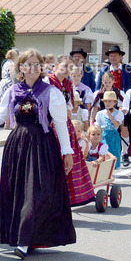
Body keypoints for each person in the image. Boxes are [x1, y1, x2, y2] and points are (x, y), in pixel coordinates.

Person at [0, 49, 76, 261]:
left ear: (41, 68)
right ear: (20, 68)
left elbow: (60, 124)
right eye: (27, 64)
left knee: (36, 193)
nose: (32, 68)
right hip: (18, 145)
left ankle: (24, 241)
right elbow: (0, 116)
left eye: (35, 64)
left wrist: (67, 151)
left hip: (42, 145)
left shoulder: (51, 92)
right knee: (18, 192)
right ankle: (23, 237)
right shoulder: (12, 91)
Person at [50, 57, 94, 205]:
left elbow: (68, 109)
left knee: (69, 162)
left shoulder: (67, 84)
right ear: (56, 65)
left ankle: (68, 199)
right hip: (50, 124)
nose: (66, 70)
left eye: (70, 67)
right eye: (64, 66)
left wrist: (72, 127)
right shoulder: (47, 82)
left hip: (64, 125)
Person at [95, 91, 125, 170]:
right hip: (103, 136)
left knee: (114, 153)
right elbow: (97, 125)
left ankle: (111, 172)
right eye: (106, 101)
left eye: (110, 101)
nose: (107, 103)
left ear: (115, 102)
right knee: (103, 154)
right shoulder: (100, 113)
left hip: (113, 137)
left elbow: (116, 124)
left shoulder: (119, 113)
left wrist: (110, 116)